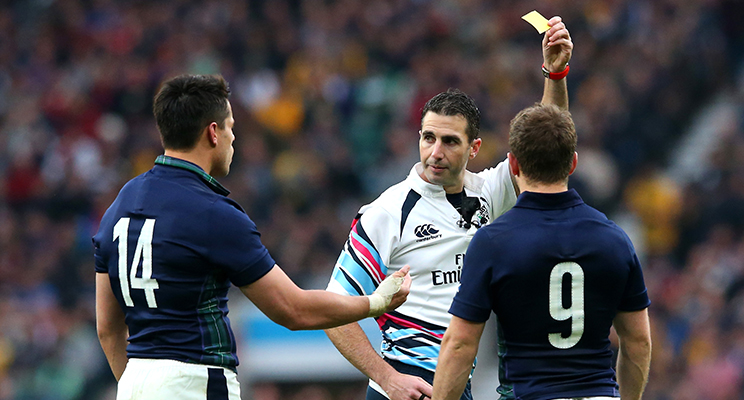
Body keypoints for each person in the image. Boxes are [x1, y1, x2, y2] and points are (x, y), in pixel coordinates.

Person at [93, 74, 411, 400]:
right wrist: (374, 303)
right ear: (213, 132)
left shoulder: (119, 205)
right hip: (195, 382)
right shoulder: (213, 212)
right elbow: (292, 309)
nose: (234, 138)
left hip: (133, 383)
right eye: (231, 127)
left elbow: (108, 328)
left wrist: (140, 385)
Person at [323, 17, 573, 400]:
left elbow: (547, 143)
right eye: (428, 138)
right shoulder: (388, 210)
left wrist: (555, 76)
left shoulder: (488, 191)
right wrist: (387, 378)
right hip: (408, 384)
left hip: (456, 383)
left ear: (474, 148)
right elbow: (334, 311)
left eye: (450, 142)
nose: (435, 153)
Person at [431, 104, 652, 400]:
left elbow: (459, 344)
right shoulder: (615, 239)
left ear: (513, 165)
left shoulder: (493, 241)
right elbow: (638, 342)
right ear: (572, 164)